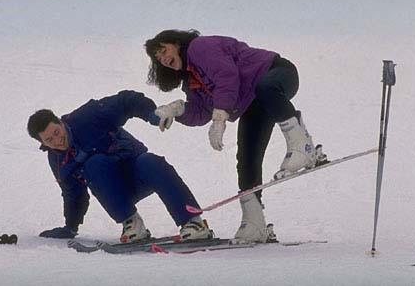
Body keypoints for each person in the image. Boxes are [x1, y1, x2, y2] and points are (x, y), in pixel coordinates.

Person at [144, 29, 318, 243]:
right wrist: (177, 110)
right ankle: (254, 223)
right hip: (253, 102)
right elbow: (200, 113)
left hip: (276, 72)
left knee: (266, 88)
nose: (163, 59)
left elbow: (227, 75)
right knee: (246, 160)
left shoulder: (200, 48)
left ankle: (303, 148)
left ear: (177, 43)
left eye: (164, 50)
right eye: (158, 59)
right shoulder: (191, 79)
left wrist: (220, 117)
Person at [27, 90, 212, 243]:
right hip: (114, 192)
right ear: (42, 143)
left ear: (60, 122)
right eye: (50, 140)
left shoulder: (87, 117)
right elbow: (73, 193)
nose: (58, 140)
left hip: (138, 171)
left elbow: (125, 101)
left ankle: (193, 222)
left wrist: (150, 114)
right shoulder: (59, 162)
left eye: (57, 132)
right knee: (93, 164)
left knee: (151, 161)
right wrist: (70, 227)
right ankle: (132, 223)